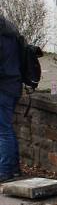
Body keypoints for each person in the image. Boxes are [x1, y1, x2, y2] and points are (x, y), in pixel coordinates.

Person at [0, 15, 22, 183]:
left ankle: (5, 171)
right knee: (7, 129)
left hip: (3, 87)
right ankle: (13, 169)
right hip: (14, 84)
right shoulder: (12, 33)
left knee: (3, 131)